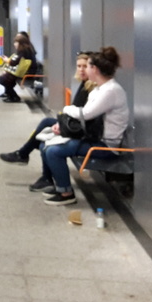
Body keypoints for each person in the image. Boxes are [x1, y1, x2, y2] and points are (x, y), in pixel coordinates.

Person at [28, 47, 129, 205]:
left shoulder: (111, 91)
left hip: (106, 145)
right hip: (93, 137)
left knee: (54, 151)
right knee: (44, 145)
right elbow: (84, 117)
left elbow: (85, 114)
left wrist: (68, 109)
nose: (84, 69)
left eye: (87, 66)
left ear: (94, 69)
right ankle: (58, 185)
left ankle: (66, 193)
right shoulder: (100, 89)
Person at [0, 51, 96, 164]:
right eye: (79, 66)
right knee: (46, 125)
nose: (81, 70)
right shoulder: (84, 84)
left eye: (85, 66)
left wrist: (61, 122)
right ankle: (24, 155)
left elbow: (83, 113)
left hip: (81, 130)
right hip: (77, 124)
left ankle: (23, 154)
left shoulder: (92, 88)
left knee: (46, 137)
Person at [0, 33, 36, 103]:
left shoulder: (23, 52)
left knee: (4, 79)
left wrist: (6, 60)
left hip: (27, 72)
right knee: (6, 78)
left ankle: (14, 97)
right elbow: (15, 61)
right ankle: (11, 95)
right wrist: (8, 60)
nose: (14, 44)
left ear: (21, 44)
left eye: (16, 43)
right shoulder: (25, 50)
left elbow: (14, 62)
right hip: (25, 70)